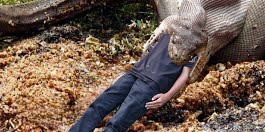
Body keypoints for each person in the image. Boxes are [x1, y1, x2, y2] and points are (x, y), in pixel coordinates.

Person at [69, 33, 197, 132]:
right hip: (135, 74)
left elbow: (185, 75)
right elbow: (148, 53)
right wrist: (127, 73)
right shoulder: (168, 29)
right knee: (99, 105)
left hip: (152, 84)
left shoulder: (194, 43)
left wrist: (167, 96)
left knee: (119, 122)